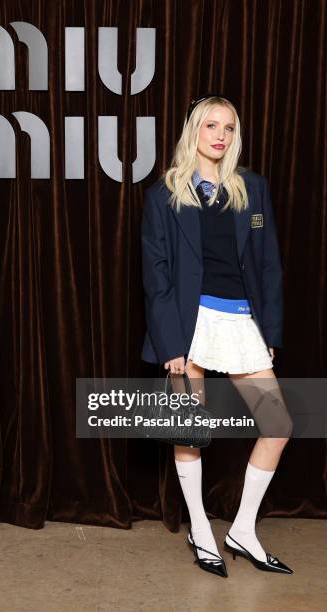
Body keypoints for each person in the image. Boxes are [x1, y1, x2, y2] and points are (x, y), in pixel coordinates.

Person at [141, 94, 294, 578]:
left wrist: (267, 329)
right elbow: (157, 275)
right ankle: (201, 528)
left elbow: (268, 264)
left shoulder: (251, 189)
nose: (220, 135)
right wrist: (171, 346)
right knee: (189, 429)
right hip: (192, 323)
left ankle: (243, 530)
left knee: (278, 426)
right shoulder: (164, 194)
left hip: (241, 320)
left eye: (228, 127)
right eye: (211, 125)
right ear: (194, 131)